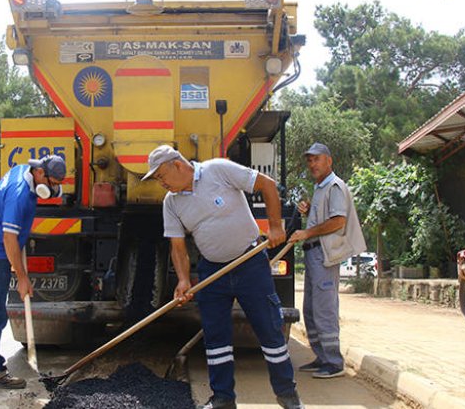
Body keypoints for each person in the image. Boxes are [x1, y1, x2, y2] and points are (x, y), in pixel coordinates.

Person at [142, 145, 304, 409]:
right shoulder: (171, 204)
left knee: (270, 330)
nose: (160, 183)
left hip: (250, 263)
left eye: (161, 176)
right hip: (213, 271)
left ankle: (288, 395)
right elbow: (178, 247)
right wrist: (183, 280)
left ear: (178, 165)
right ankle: (223, 399)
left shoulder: (218, 170)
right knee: (216, 338)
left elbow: (267, 185)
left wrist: (276, 225)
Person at [0, 155, 66, 388]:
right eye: (53, 183)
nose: (54, 189)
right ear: (40, 174)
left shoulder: (23, 170)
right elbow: (9, 237)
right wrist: (22, 277)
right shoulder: (19, 194)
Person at [288, 143, 366, 379]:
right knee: (311, 308)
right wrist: (310, 210)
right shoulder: (321, 187)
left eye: (316, 159)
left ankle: (333, 362)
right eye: (309, 161)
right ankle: (321, 357)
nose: (312, 164)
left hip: (324, 254)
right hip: (315, 254)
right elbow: (326, 216)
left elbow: (337, 221)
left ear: (328, 161)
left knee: (324, 308)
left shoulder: (334, 186)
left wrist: (307, 233)